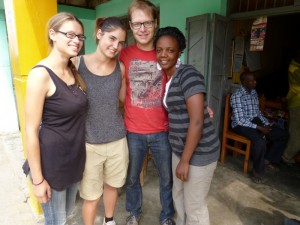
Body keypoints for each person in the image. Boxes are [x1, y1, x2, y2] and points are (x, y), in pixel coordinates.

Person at [25, 12, 88, 225]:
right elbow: (31, 130)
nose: (76, 41)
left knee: (67, 216)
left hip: (74, 160)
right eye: (70, 34)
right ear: (52, 34)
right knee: (56, 222)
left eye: (80, 37)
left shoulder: (72, 69)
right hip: (52, 166)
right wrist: (38, 180)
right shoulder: (40, 74)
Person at [154, 26, 220, 225]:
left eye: (170, 50)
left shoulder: (188, 74)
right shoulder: (170, 77)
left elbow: (197, 121)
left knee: (195, 206)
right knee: (178, 195)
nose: (163, 54)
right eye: (159, 50)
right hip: (180, 150)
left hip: (198, 153)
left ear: (179, 52)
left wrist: (185, 161)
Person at [119, 1, 175, 225]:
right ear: (131, 26)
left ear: (155, 23)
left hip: (162, 129)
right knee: (132, 178)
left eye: (147, 23)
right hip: (133, 130)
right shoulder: (123, 54)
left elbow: (179, 84)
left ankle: (167, 215)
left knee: (166, 177)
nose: (142, 29)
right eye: (137, 24)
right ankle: (134, 211)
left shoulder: (165, 52)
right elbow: (120, 90)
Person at [72, 17, 128, 225]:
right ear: (98, 34)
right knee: (91, 195)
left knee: (112, 186)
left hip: (116, 140)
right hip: (88, 143)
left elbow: (126, 99)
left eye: (121, 42)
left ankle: (109, 220)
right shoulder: (77, 64)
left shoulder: (120, 68)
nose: (116, 46)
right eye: (112, 38)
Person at [230, 71, 288, 183]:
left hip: (254, 121)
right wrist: (260, 128)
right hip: (240, 125)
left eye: (255, 80)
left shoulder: (253, 93)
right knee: (260, 142)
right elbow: (240, 119)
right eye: (252, 81)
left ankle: (267, 159)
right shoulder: (237, 96)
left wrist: (266, 123)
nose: (255, 82)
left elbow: (257, 113)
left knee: (282, 134)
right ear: (244, 82)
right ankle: (257, 171)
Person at [282, 49, 300, 166]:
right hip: (297, 103)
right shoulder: (295, 68)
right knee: (295, 134)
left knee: (293, 132)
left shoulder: (294, 66)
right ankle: (287, 156)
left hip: (295, 102)